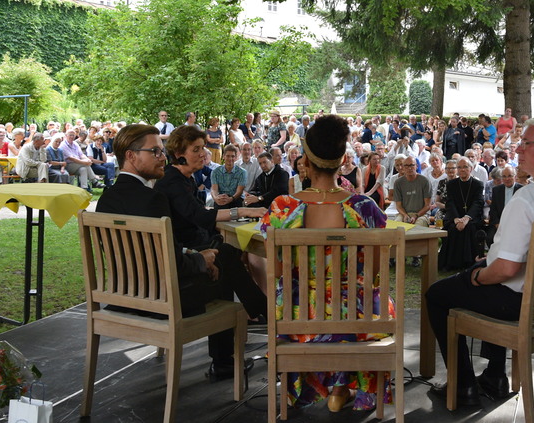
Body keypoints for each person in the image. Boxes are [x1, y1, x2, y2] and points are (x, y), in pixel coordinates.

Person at [426, 116, 534, 408]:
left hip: (522, 303)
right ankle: (495, 375)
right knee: (486, 272)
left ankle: (464, 386)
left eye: (526, 144)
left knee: (438, 294)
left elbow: (506, 270)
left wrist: (475, 278)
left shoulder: (529, 198)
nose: (517, 150)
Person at [97, 124, 261, 381]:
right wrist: (201, 259)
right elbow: (173, 263)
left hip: (124, 298)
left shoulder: (105, 201)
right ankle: (252, 332)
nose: (163, 157)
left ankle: (237, 347)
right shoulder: (152, 199)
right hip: (162, 302)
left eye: (162, 152)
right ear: (131, 156)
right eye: (156, 152)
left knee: (222, 257)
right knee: (224, 263)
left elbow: (154, 253)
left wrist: (197, 255)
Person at [258, 114, 391, 412]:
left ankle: (312, 386)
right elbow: (377, 273)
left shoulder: (282, 207)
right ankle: (341, 389)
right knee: (361, 298)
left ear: (305, 159)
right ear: (343, 158)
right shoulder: (365, 207)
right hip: (360, 317)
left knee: (291, 294)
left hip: (298, 316)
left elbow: (278, 272)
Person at [439, 157, 485, 271]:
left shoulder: (477, 184)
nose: (462, 170)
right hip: (455, 216)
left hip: (472, 217)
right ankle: (451, 263)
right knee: (453, 228)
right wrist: (456, 218)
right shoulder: (451, 184)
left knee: (469, 228)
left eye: (465, 167)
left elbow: (478, 203)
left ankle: (469, 263)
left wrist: (467, 218)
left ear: (471, 168)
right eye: (459, 167)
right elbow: (450, 202)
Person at [483, 165, 521, 249]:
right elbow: (493, 210)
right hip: (499, 222)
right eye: (504, 176)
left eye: (510, 176)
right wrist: (497, 223)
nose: (507, 179)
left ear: (515, 176)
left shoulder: (521, 189)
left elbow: (522, 211)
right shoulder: (496, 190)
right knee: (490, 238)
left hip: (516, 223)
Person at [392, 155, 432, 225]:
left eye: (412, 165)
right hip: (404, 213)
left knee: (417, 226)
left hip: (422, 214)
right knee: (396, 226)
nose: (409, 168)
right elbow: (398, 206)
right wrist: (404, 215)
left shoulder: (424, 181)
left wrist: (416, 215)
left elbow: (427, 206)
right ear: (403, 168)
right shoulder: (398, 183)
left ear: (416, 166)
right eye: (406, 166)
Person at [210, 144, 246, 209]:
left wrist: (230, 199)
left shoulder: (242, 172)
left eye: (232, 156)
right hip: (221, 198)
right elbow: (214, 189)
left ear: (236, 158)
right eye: (228, 156)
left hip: (236, 199)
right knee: (220, 204)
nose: (230, 159)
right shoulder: (215, 172)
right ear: (223, 156)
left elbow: (239, 191)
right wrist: (215, 198)